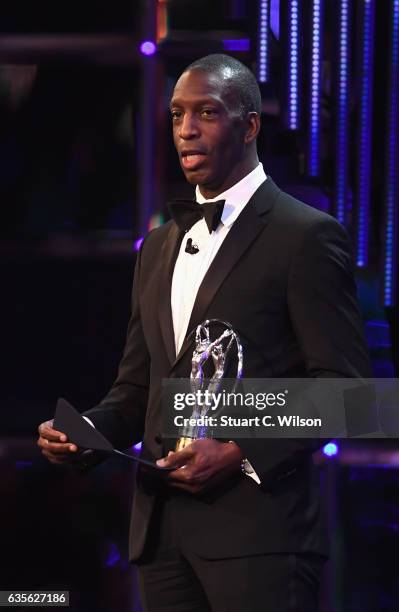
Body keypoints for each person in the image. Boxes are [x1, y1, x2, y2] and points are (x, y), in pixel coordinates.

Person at [37, 54, 372, 611]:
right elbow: (140, 391)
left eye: (207, 112)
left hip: (261, 542)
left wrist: (240, 448)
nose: (186, 129)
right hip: (162, 540)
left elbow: (353, 396)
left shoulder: (305, 236)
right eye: (175, 115)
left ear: (250, 125)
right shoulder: (159, 248)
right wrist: (87, 433)